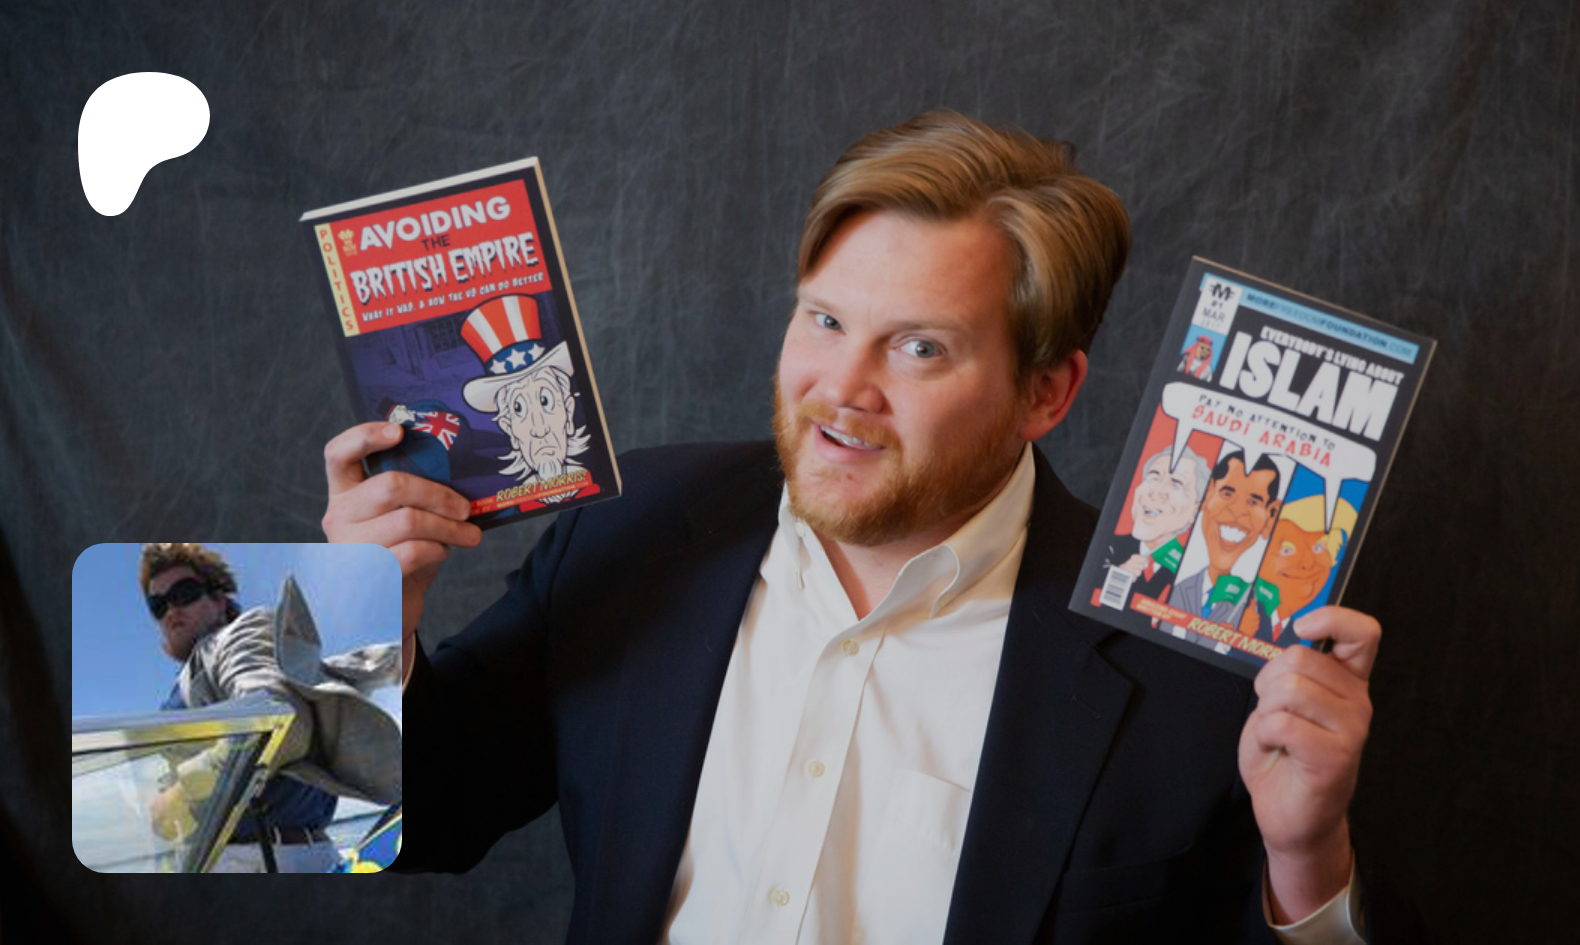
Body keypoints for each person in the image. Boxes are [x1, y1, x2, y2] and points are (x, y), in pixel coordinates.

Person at [323, 112, 1381, 942]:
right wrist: (357, 626)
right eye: (825, 320)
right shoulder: (630, 530)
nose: (842, 389)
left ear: (1046, 393)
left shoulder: (1190, 662)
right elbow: (394, 822)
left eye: (920, 348)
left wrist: (1307, 863)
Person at [140, 543, 402, 872]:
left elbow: (278, 718)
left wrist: (182, 791)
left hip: (263, 858)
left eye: (184, 593)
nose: (171, 610)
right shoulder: (186, 683)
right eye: (158, 605)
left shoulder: (235, 635)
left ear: (219, 601)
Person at [459, 293, 600, 509]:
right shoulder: (506, 507)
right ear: (508, 428)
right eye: (519, 409)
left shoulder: (600, 482)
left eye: (545, 402)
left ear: (568, 409)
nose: (539, 429)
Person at [1167, 450, 1286, 633]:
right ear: (1207, 494)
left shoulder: (1261, 612)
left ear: (1270, 516)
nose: (1237, 511)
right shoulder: (1173, 589)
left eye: (1253, 502)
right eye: (1227, 493)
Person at [1242, 495, 1360, 646]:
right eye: (1287, 550)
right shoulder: (1234, 608)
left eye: (1319, 548)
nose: (1307, 563)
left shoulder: (1295, 635)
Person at [1101, 444, 1203, 614]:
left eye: (1176, 484)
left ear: (1195, 510)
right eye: (1153, 478)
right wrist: (1119, 576)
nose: (1156, 492)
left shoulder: (1193, 576)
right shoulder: (1107, 548)